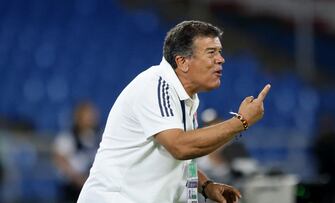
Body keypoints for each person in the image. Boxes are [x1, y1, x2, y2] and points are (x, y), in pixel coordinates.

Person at [77, 20, 271, 203]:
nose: (221, 59)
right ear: (182, 61)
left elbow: (182, 158)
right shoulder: (156, 86)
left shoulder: (186, 97)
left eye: (220, 52)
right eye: (211, 52)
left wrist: (206, 185)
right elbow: (179, 147)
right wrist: (241, 121)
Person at [53, 101, 101, 202]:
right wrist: (79, 179)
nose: (91, 118)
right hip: (72, 190)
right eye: (87, 114)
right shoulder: (67, 138)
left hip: (93, 188)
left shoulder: (99, 137)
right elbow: (60, 160)